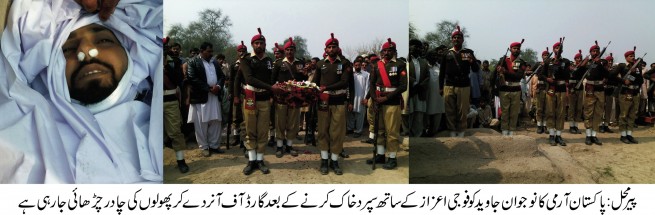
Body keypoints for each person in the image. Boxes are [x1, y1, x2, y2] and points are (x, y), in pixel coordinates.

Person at [0, 0, 162, 183]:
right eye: (68, 49)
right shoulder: (17, 141)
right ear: (52, 69)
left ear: (131, 53)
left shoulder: (161, 126)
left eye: (103, 40)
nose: (86, 51)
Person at [239, 28, 284, 175]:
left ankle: (260, 160)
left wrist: (273, 89)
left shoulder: (269, 60)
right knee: (250, 130)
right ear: (252, 45)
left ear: (265, 45)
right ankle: (251, 161)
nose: (259, 45)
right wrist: (271, 87)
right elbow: (249, 79)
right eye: (256, 43)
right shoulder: (245, 59)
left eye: (261, 43)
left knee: (263, 131)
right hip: (251, 97)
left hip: (265, 99)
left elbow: (272, 78)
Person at [313, 33, 352, 175]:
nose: (331, 49)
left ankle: (334, 160)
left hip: (339, 102)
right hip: (323, 102)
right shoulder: (320, 64)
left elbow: (344, 82)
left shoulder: (345, 63)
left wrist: (326, 88)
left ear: (338, 48)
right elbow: (315, 83)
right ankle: (324, 159)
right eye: (329, 47)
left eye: (334, 47)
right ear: (325, 49)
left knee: (337, 133)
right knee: (323, 130)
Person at [367, 38, 407, 170]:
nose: (387, 52)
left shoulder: (400, 64)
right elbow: (371, 84)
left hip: (392, 102)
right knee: (379, 130)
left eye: (390, 50)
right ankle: (380, 154)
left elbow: (403, 86)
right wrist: (374, 99)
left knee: (392, 131)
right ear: (381, 51)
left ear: (395, 51)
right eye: (385, 50)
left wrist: (386, 98)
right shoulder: (375, 65)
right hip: (378, 101)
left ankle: (392, 157)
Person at [439, 25, 480, 137]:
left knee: (462, 111)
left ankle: (461, 131)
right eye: (454, 37)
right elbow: (442, 72)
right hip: (449, 85)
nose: (456, 39)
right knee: (450, 110)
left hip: (463, 85)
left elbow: (476, 69)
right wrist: (440, 87)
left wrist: (472, 62)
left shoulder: (467, 53)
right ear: (452, 39)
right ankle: (452, 131)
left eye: (459, 37)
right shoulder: (446, 53)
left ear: (462, 40)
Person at [187, 42, 225, 157]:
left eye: (211, 51)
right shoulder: (193, 62)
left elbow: (222, 76)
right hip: (201, 97)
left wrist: (218, 87)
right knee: (201, 123)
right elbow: (192, 78)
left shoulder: (214, 62)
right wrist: (208, 89)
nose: (211, 53)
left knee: (216, 121)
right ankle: (204, 147)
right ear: (201, 51)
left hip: (214, 96)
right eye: (208, 51)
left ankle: (214, 145)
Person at [271, 38, 306, 158]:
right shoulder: (278, 63)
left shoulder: (300, 63)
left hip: (295, 98)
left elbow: (304, 81)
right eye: (287, 50)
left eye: (291, 49)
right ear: (284, 51)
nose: (289, 52)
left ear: (295, 50)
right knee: (280, 122)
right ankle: (280, 146)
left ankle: (289, 145)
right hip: (281, 98)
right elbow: (272, 81)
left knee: (292, 123)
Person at [164, 38, 189, 173]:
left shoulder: (174, 62)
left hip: (170, 100)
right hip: (154, 101)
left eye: (164, 47)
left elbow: (178, 80)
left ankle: (181, 161)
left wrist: (166, 66)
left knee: (175, 132)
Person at [577, 42, 609, 145]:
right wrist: (583, 64)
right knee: (588, 112)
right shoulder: (587, 62)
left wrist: (599, 64)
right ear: (590, 52)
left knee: (598, 113)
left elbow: (608, 75)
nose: (595, 53)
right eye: (593, 51)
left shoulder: (603, 63)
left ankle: (594, 135)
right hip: (590, 89)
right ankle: (588, 135)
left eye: (597, 51)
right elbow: (577, 74)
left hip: (600, 89)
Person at [541, 40, 571, 146]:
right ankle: (552, 135)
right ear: (553, 50)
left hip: (561, 89)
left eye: (560, 48)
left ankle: (559, 135)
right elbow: (541, 75)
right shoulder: (548, 61)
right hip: (551, 89)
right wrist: (547, 79)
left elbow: (568, 76)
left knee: (561, 113)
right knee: (550, 112)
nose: (558, 50)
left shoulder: (566, 61)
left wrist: (561, 66)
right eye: (557, 48)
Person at [495, 41, 527, 137]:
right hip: (504, 89)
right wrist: (499, 71)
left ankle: (512, 131)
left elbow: (518, 76)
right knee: (505, 112)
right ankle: (504, 130)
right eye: (514, 48)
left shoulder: (522, 62)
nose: (516, 50)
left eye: (518, 48)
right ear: (510, 49)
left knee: (514, 112)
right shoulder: (503, 60)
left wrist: (505, 71)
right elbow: (497, 74)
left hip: (515, 89)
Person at [614, 47, 643, 144]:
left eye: (633, 56)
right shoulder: (622, 66)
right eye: (630, 56)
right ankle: (623, 135)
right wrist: (623, 80)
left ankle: (629, 134)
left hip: (635, 93)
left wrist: (636, 73)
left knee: (632, 115)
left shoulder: (637, 68)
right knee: (624, 114)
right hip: (625, 92)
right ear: (626, 57)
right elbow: (612, 76)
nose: (632, 57)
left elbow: (641, 81)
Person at [407, 39, 429, 137]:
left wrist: (421, 86)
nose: (414, 48)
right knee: (410, 114)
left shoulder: (424, 62)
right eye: (412, 46)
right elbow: (405, 74)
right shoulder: (406, 61)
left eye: (417, 47)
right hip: (410, 92)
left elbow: (427, 77)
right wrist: (414, 83)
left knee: (419, 115)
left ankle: (418, 136)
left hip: (420, 92)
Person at [424, 46, 447, 136]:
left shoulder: (440, 67)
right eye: (432, 55)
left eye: (436, 55)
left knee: (438, 114)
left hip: (439, 96)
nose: (435, 57)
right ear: (428, 56)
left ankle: (434, 132)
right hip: (427, 95)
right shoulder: (425, 66)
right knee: (426, 115)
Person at [347, 59, 369, 138]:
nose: (357, 67)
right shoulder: (351, 74)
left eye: (359, 65)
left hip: (361, 97)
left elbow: (367, 87)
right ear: (353, 66)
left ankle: (358, 130)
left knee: (360, 114)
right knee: (350, 113)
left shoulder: (366, 74)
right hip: (352, 96)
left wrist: (366, 98)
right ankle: (350, 128)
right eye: (356, 65)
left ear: (361, 65)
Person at [567, 49, 585, 134]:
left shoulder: (583, 68)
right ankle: (571, 126)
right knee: (572, 108)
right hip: (572, 88)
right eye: (578, 58)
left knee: (579, 107)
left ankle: (576, 126)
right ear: (575, 59)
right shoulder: (571, 67)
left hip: (580, 88)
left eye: (580, 58)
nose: (579, 59)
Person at [534, 48, 550, 134]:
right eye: (544, 55)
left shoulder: (550, 65)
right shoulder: (538, 64)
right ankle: (539, 125)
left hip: (548, 87)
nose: (546, 56)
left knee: (547, 109)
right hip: (540, 87)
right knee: (540, 108)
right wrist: (541, 66)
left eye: (547, 55)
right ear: (542, 56)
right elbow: (533, 72)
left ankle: (545, 125)